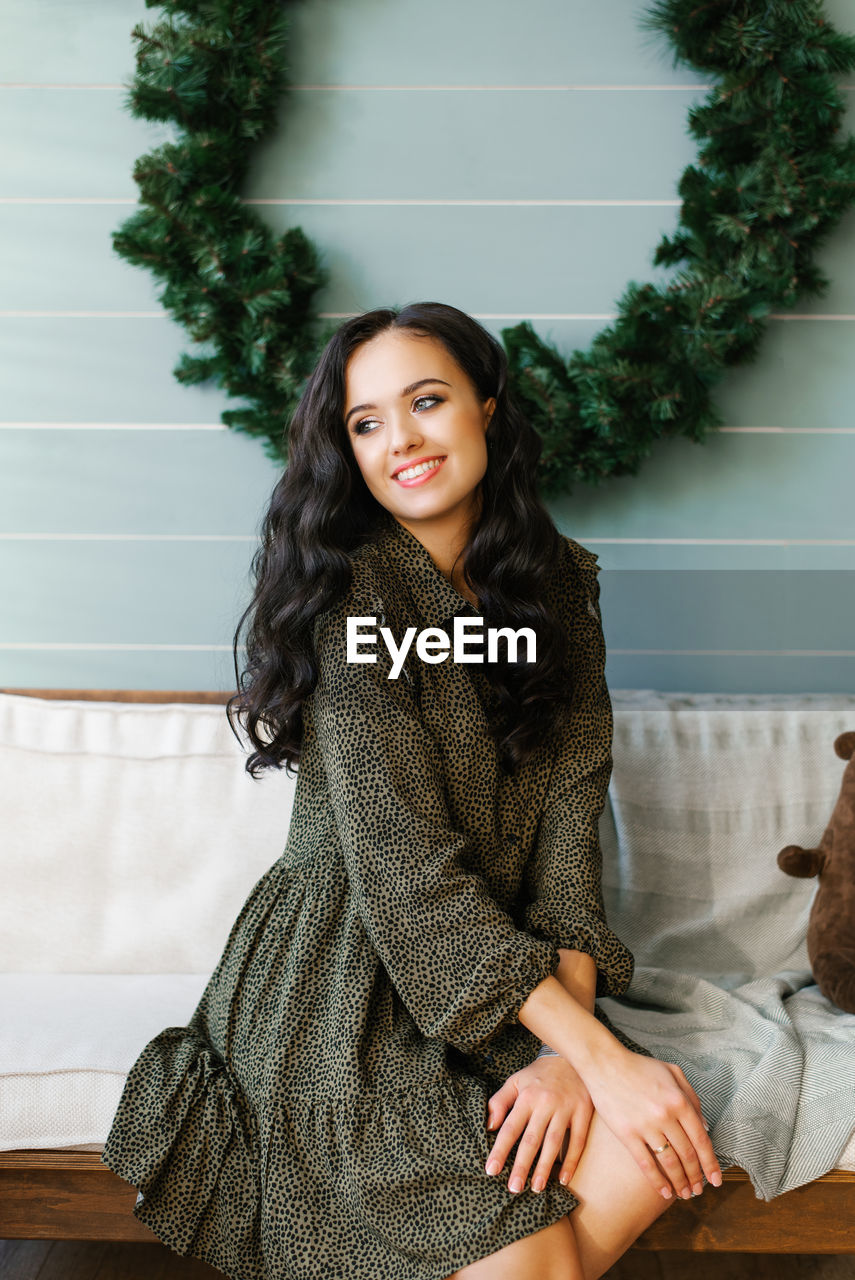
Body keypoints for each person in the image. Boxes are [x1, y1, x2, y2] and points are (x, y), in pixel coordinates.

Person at [100, 300, 722, 1280]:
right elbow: (413, 891)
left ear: (486, 404)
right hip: (339, 980)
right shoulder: (360, 603)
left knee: (649, 1161)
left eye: (426, 401)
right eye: (367, 422)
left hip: (508, 975)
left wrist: (569, 1055)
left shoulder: (560, 588)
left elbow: (569, 842)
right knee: (531, 1256)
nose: (403, 441)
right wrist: (602, 1059)